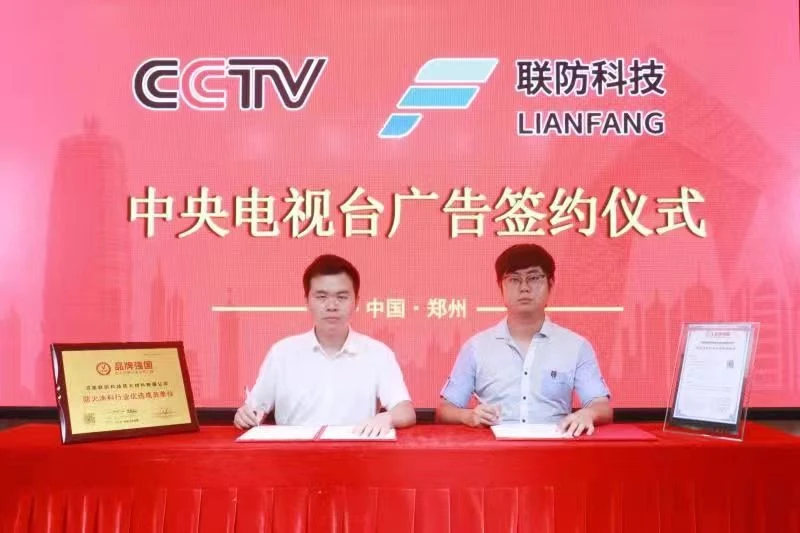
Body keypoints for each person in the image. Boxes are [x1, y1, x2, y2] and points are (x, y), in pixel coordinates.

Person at [436, 244, 612, 437]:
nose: (524, 288)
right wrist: (468, 416)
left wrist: (588, 413)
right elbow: (445, 410)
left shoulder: (576, 346)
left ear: (551, 284)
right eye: (514, 279)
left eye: (534, 278)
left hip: (556, 448)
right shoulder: (476, 347)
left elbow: (601, 405)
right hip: (494, 449)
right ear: (501, 286)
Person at [234, 254, 416, 436]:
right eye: (321, 297)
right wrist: (245, 415)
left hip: (355, 450)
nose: (331, 306)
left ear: (356, 302)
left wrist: (387, 418)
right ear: (307, 301)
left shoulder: (378, 354)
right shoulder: (282, 353)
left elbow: (405, 410)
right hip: (293, 451)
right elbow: (254, 409)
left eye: (342, 297)